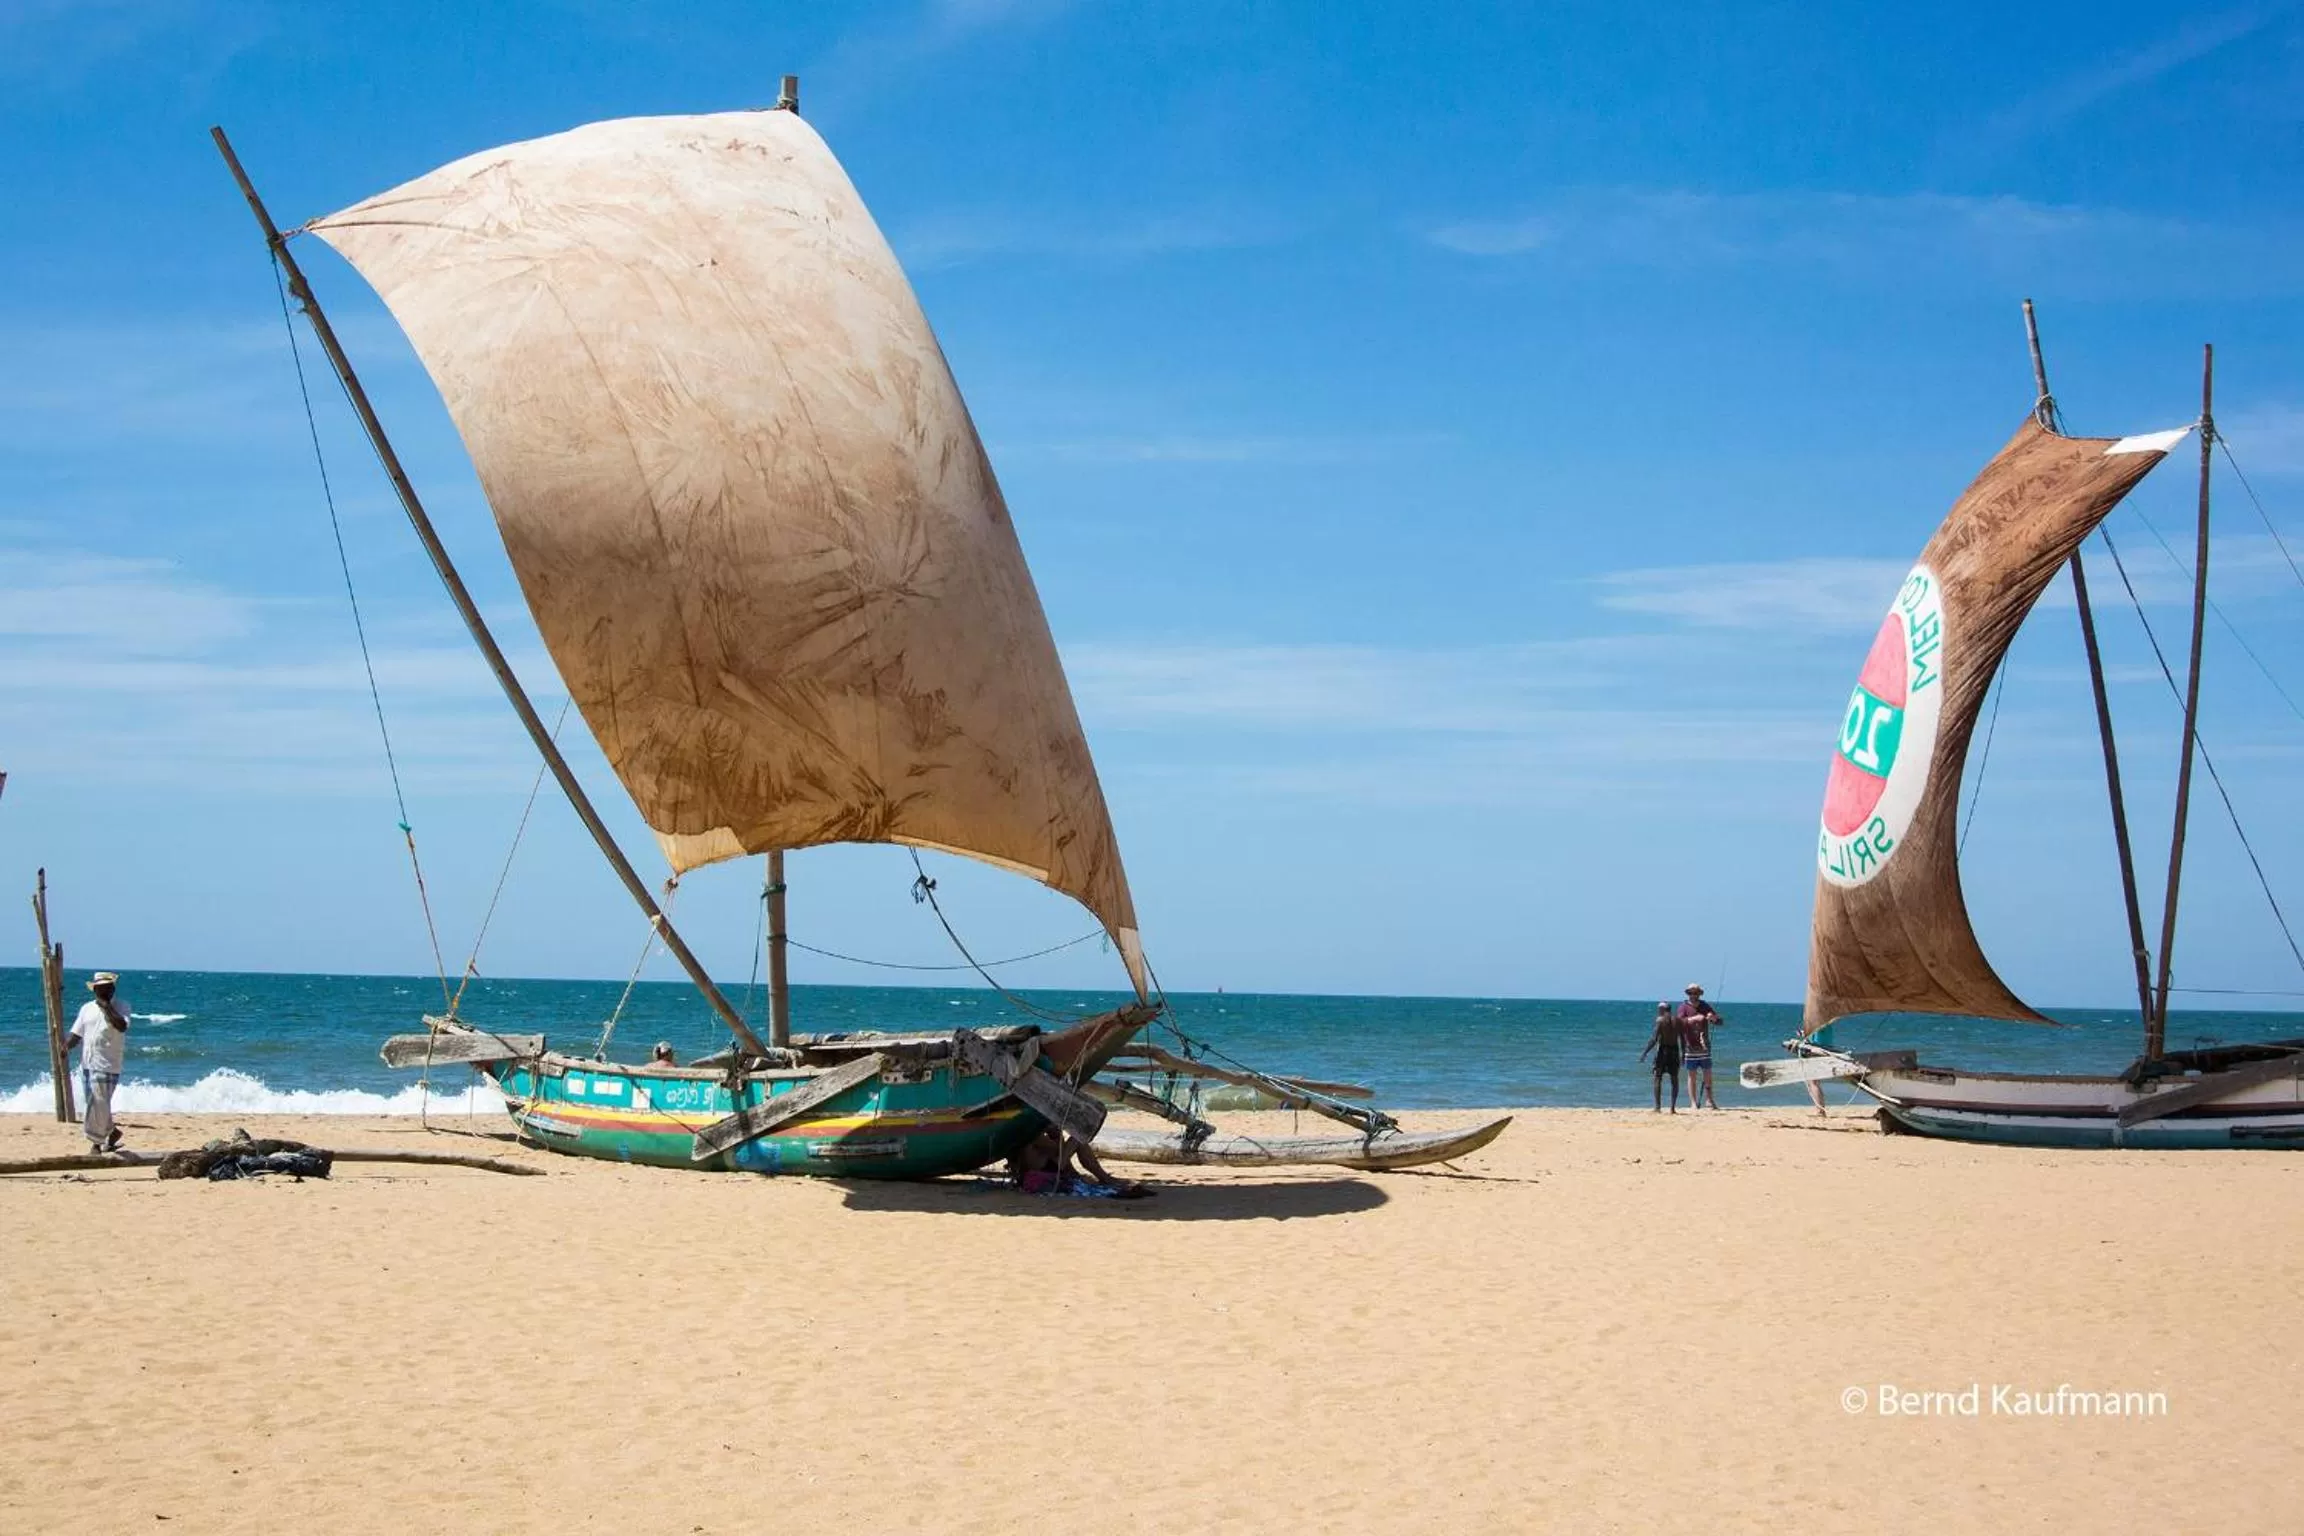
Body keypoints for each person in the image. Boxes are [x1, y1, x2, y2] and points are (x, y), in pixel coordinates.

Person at [67, 971, 130, 1152]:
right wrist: (64, 1047)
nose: (103, 992)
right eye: (100, 989)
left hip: (108, 1064)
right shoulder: (87, 1008)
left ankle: (96, 1143)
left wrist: (107, 1007)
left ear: (113, 989)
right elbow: (76, 1033)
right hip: (87, 1063)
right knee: (95, 1103)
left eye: (107, 988)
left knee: (97, 1102)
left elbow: (122, 1026)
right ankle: (112, 1131)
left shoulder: (122, 1007)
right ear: (94, 990)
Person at [1676, 984, 1724, 1110]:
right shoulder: (1683, 1007)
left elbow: (1720, 1022)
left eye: (1696, 993)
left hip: (1704, 1047)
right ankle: (1693, 1102)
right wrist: (1692, 1019)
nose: (1694, 995)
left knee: (1708, 1074)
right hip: (1690, 1046)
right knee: (1692, 1075)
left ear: (1699, 994)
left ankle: (1709, 1100)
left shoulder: (1704, 1005)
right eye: (1691, 993)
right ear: (1688, 994)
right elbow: (1678, 1023)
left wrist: (1713, 1018)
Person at [1639, 1002, 1682, 1112]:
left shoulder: (1660, 1020)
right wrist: (1684, 1053)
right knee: (1674, 1079)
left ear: (1662, 1009)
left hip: (1663, 1051)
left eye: (1659, 1009)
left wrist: (1644, 1053)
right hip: (1675, 1050)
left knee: (1657, 1078)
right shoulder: (1678, 1020)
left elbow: (1654, 1039)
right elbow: (1682, 1039)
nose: (1658, 1011)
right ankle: (1672, 1108)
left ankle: (1658, 1107)